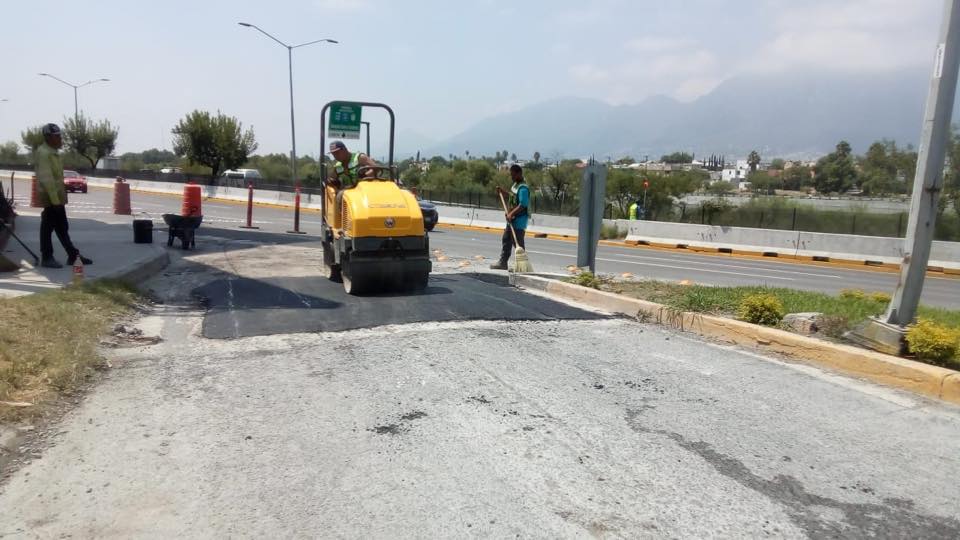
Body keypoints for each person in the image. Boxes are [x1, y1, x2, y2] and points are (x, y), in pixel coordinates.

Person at [35, 123, 92, 269]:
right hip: (50, 198)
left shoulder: (54, 153)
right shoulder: (44, 153)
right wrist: (55, 202)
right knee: (48, 227)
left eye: (60, 136)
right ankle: (47, 257)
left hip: (57, 198)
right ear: (48, 137)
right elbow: (47, 180)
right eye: (57, 136)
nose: (60, 139)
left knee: (62, 227)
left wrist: (60, 200)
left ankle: (73, 255)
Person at [490, 164, 530, 270]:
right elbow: (512, 197)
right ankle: (503, 262)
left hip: (519, 219)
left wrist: (511, 213)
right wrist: (503, 192)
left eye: (513, 175)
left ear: (519, 174)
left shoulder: (523, 188)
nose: (512, 177)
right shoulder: (515, 186)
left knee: (517, 242)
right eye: (511, 175)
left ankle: (521, 266)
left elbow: (523, 204)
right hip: (511, 219)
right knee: (506, 239)